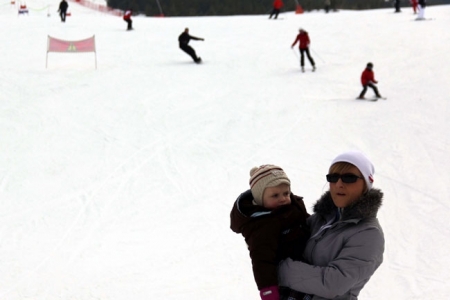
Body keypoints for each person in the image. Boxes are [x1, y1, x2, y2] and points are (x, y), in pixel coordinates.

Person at [278, 150, 385, 300]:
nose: (339, 184)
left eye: (349, 178)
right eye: (333, 177)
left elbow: (332, 284)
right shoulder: (321, 219)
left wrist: (277, 269)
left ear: (366, 185)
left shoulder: (368, 234)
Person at [230, 165, 310, 300]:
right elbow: (261, 261)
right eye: (275, 195)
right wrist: (268, 292)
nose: (283, 198)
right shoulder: (261, 225)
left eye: (286, 193)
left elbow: (308, 222)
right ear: (261, 199)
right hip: (284, 280)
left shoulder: (293, 205)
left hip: (307, 266)